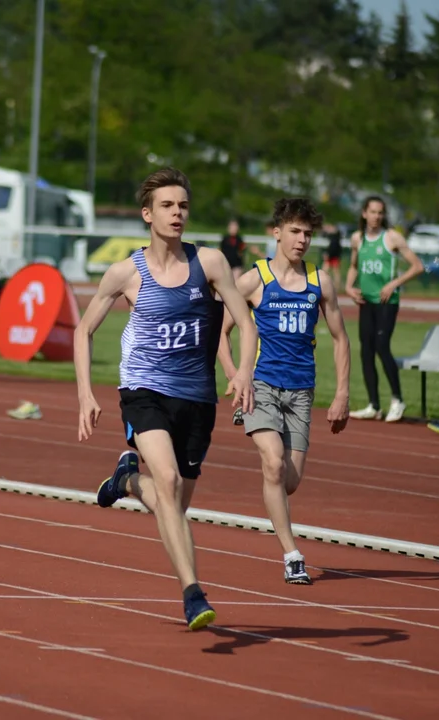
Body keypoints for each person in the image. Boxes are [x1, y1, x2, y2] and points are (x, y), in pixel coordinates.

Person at [75, 167, 257, 631]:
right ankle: (193, 593)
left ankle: (128, 481)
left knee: (174, 503)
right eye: (167, 206)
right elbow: (83, 330)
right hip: (144, 390)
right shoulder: (125, 273)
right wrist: (85, 394)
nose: (177, 214)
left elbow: (246, 322)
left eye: (183, 206)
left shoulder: (211, 263)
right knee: (171, 483)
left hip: (197, 398)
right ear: (147, 214)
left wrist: (244, 374)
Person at [217, 197, 350, 584]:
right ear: (277, 233)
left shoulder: (319, 282)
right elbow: (220, 334)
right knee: (273, 463)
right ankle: (292, 554)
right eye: (295, 231)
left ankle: (276, 499)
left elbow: (341, 340)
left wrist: (342, 394)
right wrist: (235, 376)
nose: (302, 240)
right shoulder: (254, 279)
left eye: (308, 233)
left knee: (288, 480)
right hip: (261, 385)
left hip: (302, 391)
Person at [345, 196, 424, 423]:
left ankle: (397, 400)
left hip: (387, 303)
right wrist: (349, 288)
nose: (376, 216)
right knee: (366, 352)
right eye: (372, 212)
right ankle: (374, 405)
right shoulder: (357, 239)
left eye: (380, 212)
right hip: (366, 302)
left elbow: (417, 266)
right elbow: (353, 267)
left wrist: (393, 284)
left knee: (381, 346)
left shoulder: (392, 237)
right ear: (364, 213)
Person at [320, 222, 342, 294]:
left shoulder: (334, 237)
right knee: (330, 271)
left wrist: (328, 254)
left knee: (329, 271)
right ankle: (334, 287)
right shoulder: (336, 236)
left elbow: (333, 247)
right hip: (335, 255)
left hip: (333, 255)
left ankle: (334, 287)